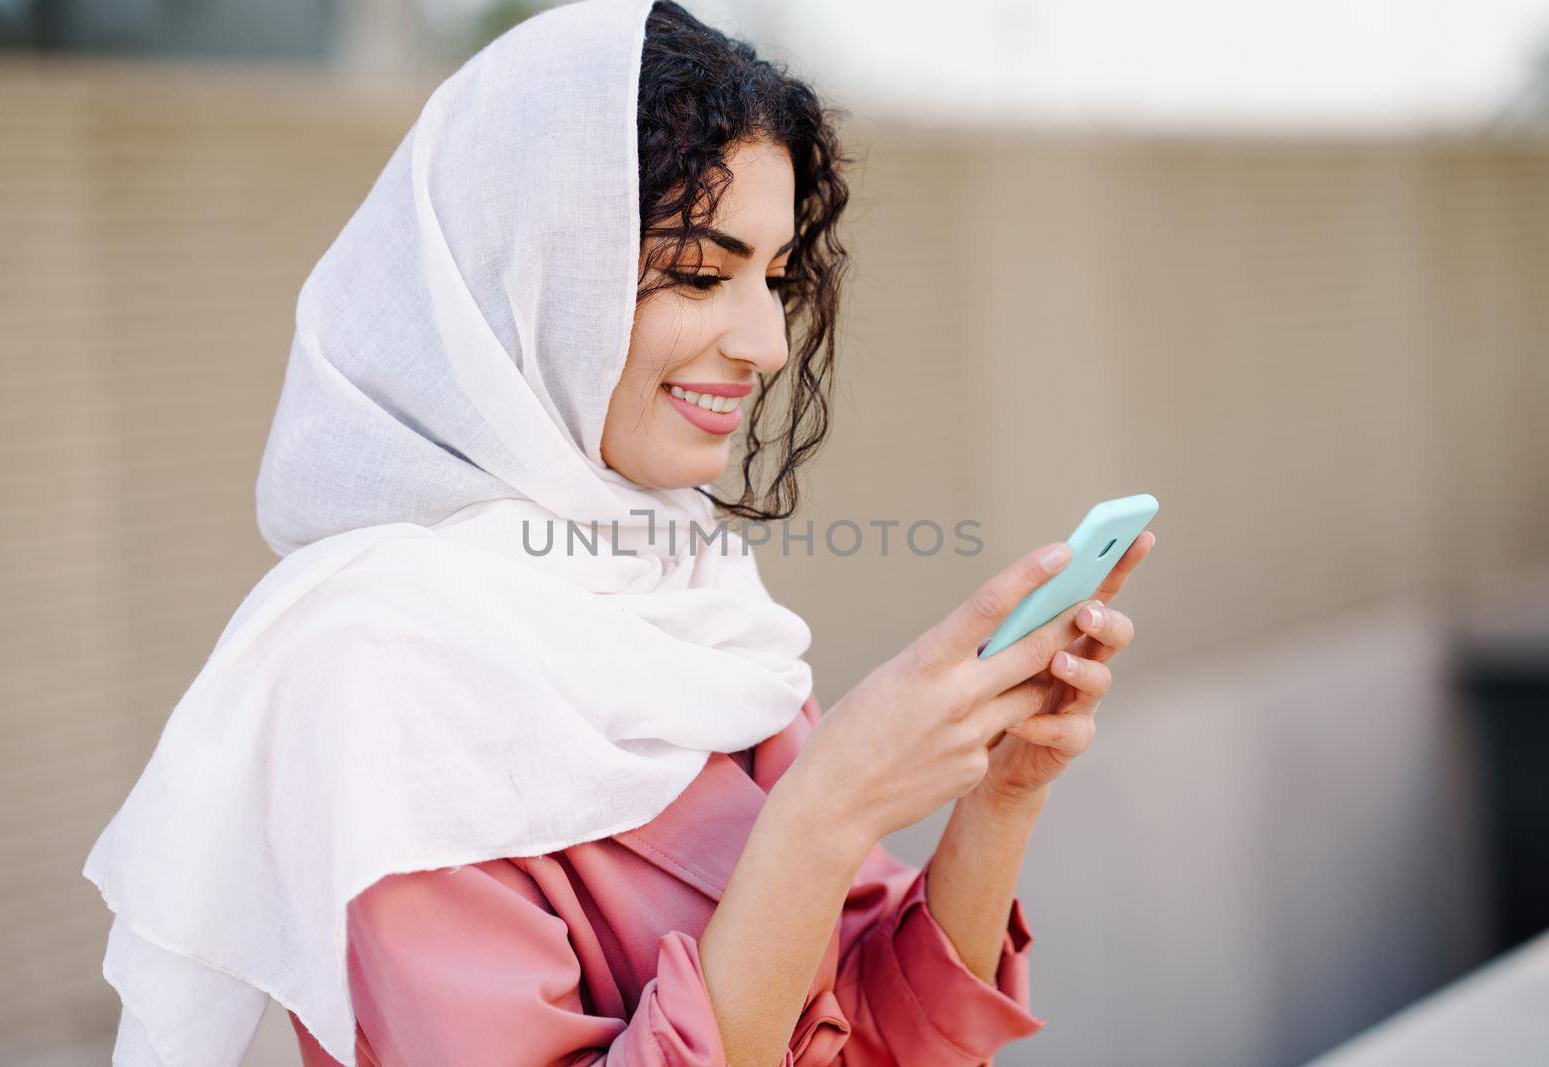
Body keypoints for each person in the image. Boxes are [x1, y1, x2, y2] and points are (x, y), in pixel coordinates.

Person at [83, 1, 1154, 1065]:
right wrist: (823, 810)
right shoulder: (376, 676)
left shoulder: (691, 606)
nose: (765, 341)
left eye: (774, 277)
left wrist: (1000, 796)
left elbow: (879, 1040)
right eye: (698, 273)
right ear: (531, 280)